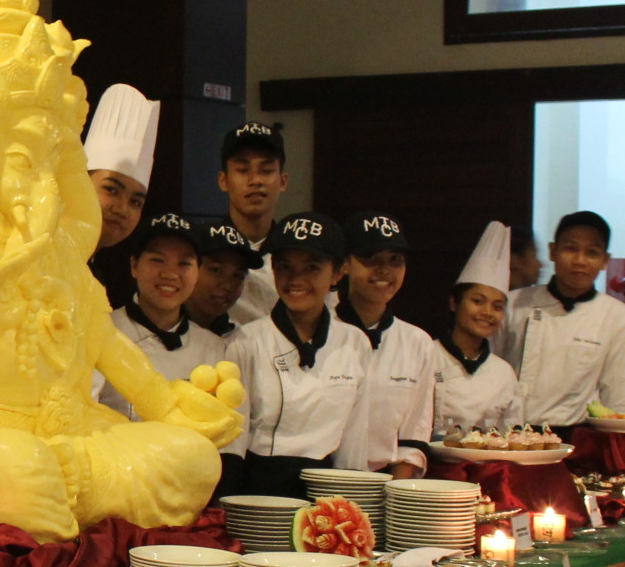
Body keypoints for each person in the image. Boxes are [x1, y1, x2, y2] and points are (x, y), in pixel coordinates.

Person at [224, 213, 378, 497]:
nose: (296, 279)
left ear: (337, 273)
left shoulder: (355, 343)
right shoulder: (245, 342)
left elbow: (354, 438)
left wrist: (353, 501)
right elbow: (233, 438)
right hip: (258, 490)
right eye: (285, 267)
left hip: (327, 490)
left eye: (312, 268)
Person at [499, 211, 625, 429]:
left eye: (592, 252)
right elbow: (488, 372)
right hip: (508, 433)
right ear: (552, 251)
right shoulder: (513, 304)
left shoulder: (619, 318)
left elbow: (621, 399)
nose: (580, 261)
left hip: (576, 438)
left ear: (605, 261)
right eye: (570, 249)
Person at [336, 210, 433, 477]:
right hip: (319, 477)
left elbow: (414, 434)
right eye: (371, 258)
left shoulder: (418, 343)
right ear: (344, 264)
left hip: (386, 482)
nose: (385, 270)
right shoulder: (322, 331)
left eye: (395, 260)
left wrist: (394, 492)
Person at [101, 211, 224, 418]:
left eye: (184, 263)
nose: (170, 274)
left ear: (198, 272)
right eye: (158, 260)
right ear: (134, 266)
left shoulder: (213, 348)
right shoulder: (102, 331)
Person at [435, 222, 525, 431]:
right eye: (478, 301)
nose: (487, 312)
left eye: (497, 306)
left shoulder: (503, 373)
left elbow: (513, 435)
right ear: (454, 303)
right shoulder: (426, 356)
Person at [82, 84, 159, 307]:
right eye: (111, 190)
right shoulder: (45, 257)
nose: (122, 209)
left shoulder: (97, 275)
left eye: (136, 201)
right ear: (81, 182)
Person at [217, 121, 289, 326]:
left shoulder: (295, 253)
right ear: (223, 180)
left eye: (266, 170)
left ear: (283, 181)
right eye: (242, 170)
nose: (255, 180)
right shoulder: (202, 251)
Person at [187, 218, 258, 342]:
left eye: (238, 276)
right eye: (216, 270)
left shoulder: (238, 341)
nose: (227, 285)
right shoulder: (154, 333)